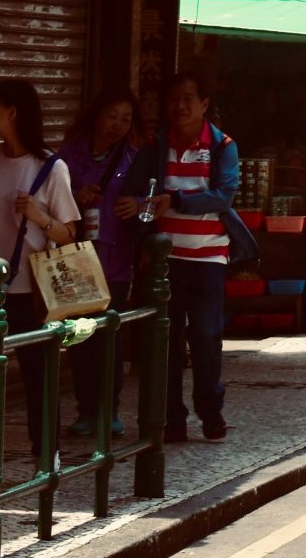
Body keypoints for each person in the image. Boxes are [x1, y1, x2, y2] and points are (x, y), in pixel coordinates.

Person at [0, 78, 78, 496]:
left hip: (31, 289)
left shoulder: (50, 168)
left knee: (39, 374)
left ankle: (47, 454)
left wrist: (39, 216)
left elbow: (68, 234)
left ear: (14, 112)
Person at [117, 74, 257, 447]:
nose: (180, 106)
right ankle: (171, 419)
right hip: (166, 261)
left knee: (207, 337)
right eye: (174, 99)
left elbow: (223, 197)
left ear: (204, 103)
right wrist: (144, 229)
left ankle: (211, 412)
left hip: (209, 256)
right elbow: (134, 193)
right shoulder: (155, 144)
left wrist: (174, 200)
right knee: (166, 341)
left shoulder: (223, 146)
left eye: (188, 98)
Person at [54, 87, 141, 441]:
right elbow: (50, 194)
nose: (118, 125)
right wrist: (75, 195)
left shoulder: (135, 157)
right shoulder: (70, 156)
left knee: (108, 334)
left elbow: (151, 197)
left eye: (126, 118)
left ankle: (110, 410)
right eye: (111, 116)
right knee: (79, 335)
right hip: (75, 255)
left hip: (115, 257)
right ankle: (85, 409)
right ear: (95, 116)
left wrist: (135, 205)